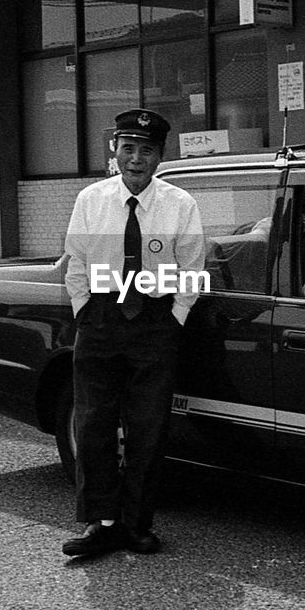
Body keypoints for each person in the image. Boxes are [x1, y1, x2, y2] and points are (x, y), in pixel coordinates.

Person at [61, 107, 205, 558]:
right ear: (115, 150)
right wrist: (86, 310)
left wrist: (172, 319)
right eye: (128, 148)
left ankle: (137, 524)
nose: (136, 159)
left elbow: (192, 270)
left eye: (146, 150)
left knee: (148, 427)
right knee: (93, 424)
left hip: (154, 321)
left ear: (160, 155)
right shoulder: (91, 199)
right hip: (102, 318)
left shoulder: (180, 204)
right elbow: (77, 261)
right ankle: (100, 524)